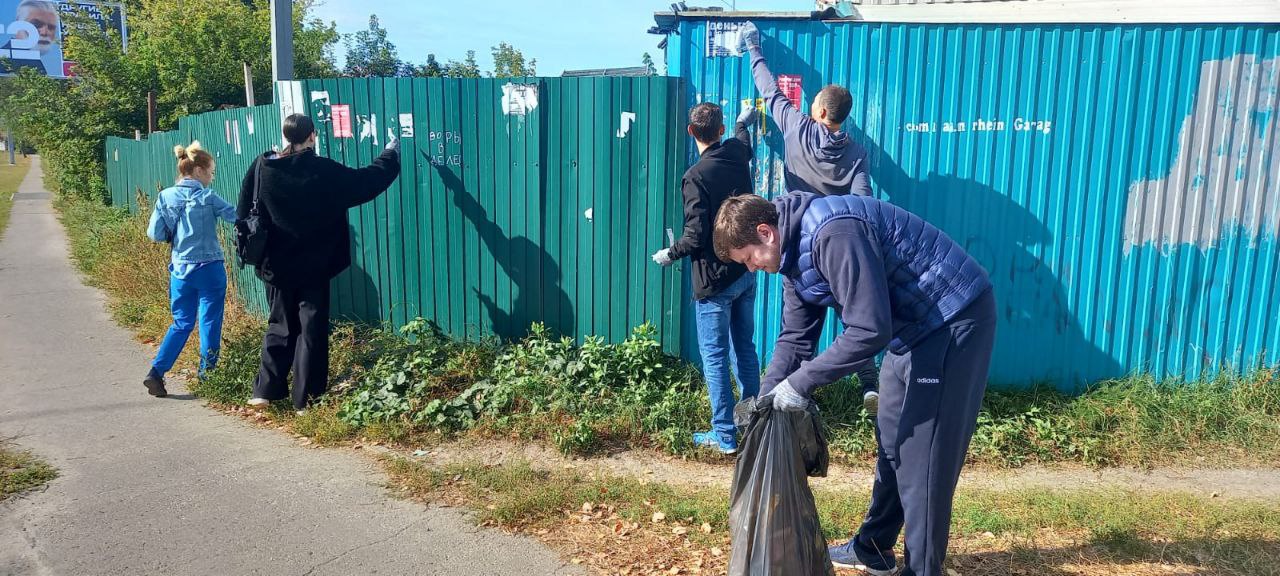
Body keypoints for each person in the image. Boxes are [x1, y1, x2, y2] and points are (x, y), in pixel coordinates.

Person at [713, 192, 996, 576]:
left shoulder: (834, 233)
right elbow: (795, 338)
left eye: (748, 258)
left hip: (950, 319)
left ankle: (924, 569)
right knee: (894, 439)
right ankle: (873, 548)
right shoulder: (793, 257)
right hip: (909, 332)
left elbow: (868, 329)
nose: (751, 269)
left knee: (923, 457)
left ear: (766, 233)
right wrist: (767, 398)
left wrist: (802, 383)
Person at [738, 20, 881, 412]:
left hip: (796, 241)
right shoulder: (856, 154)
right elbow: (864, 201)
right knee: (855, 318)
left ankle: (783, 397)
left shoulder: (797, 127)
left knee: (797, 332)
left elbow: (768, 89)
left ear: (817, 109)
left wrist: (754, 47)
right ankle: (869, 383)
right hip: (839, 247)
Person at [237, 113, 400, 413]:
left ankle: (264, 391)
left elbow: (245, 205)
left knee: (279, 325)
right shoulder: (322, 170)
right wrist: (389, 155)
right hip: (314, 263)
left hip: (276, 263)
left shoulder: (263, 166)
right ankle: (305, 401)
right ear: (312, 135)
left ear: (286, 136)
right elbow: (364, 182)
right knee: (310, 330)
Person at [651, 101, 760, 454]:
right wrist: (746, 120)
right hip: (745, 272)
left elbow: (695, 236)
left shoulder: (695, 176)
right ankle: (754, 425)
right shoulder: (736, 152)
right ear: (722, 128)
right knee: (745, 348)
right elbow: (744, 139)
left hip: (714, 282)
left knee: (715, 357)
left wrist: (669, 254)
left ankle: (725, 437)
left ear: (690, 132)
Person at [144, 142, 236, 398]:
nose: (211, 177)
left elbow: (155, 233)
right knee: (209, 321)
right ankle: (208, 376)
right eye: (210, 172)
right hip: (209, 269)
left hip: (180, 270)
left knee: (181, 323)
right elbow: (236, 216)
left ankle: (156, 372)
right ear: (197, 171)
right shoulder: (208, 197)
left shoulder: (165, 196)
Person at [13, 0, 63, 75]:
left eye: (51, 27)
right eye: (36, 24)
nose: (44, 32)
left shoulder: (37, 63)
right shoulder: (5, 61)